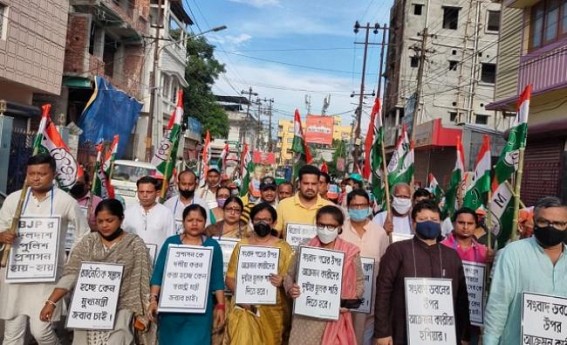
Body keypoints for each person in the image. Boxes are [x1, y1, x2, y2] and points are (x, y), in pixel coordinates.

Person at [0, 154, 89, 345]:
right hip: (15, 275)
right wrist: (3, 235)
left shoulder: (65, 201)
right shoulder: (14, 199)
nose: (36, 178)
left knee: (41, 331)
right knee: (12, 334)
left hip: (47, 278)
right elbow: (0, 227)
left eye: (42, 173)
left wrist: (70, 261)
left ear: (53, 174)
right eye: (32, 174)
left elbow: (84, 234)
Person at [39, 199, 155, 344]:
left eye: (109, 220)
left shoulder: (134, 244)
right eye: (100, 221)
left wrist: (144, 310)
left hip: (122, 307)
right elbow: (71, 274)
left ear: (121, 219)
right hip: (88, 307)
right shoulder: (88, 242)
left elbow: (143, 279)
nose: (104, 225)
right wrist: (51, 302)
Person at [373, 200, 470, 345]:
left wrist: (464, 335)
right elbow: (383, 291)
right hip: (402, 332)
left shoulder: (451, 256)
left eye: (434, 220)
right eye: (423, 219)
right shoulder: (398, 250)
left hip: (443, 335)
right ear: (413, 223)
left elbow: (462, 298)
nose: (429, 223)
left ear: (440, 223)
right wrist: (382, 332)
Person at [484, 196, 567, 345]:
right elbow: (498, 305)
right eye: (544, 222)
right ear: (534, 222)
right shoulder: (512, 254)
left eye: (558, 223)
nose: (551, 227)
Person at [285, 205, 364, 344]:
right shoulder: (305, 247)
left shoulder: (351, 252)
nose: (325, 230)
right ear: (316, 224)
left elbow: (359, 282)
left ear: (339, 227)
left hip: (336, 318)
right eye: (321, 225)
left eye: (331, 226)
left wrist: (346, 304)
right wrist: (291, 289)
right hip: (305, 321)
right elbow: (289, 276)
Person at [149, 204, 226, 345]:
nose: (195, 224)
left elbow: (217, 280)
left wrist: (221, 306)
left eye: (199, 220)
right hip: (171, 309)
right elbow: (158, 273)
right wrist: (153, 300)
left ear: (205, 222)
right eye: (190, 220)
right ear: (183, 222)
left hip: (200, 312)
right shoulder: (171, 242)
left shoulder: (212, 246)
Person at [225, 203, 294, 344]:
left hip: (274, 312)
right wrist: (243, 298)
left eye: (267, 220)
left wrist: (283, 281)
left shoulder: (284, 247)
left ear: (274, 223)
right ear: (252, 221)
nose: (262, 222)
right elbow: (230, 278)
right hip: (245, 309)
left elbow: (291, 278)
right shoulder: (241, 245)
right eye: (257, 219)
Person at [340, 189, 389, 345]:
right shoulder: (340, 231)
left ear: (369, 206)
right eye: (355, 206)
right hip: (343, 299)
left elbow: (384, 267)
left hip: (371, 300)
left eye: (363, 205)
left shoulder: (380, 233)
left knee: (364, 338)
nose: (359, 209)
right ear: (348, 207)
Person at [275, 165, 332, 239]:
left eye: (314, 184)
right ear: (299, 184)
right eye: (306, 183)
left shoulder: (329, 207)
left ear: (318, 184)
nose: (310, 187)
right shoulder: (283, 205)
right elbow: (275, 236)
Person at [122, 176, 176, 254]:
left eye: (149, 192)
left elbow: (171, 240)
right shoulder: (128, 212)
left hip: (157, 261)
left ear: (157, 193)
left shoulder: (166, 213)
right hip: (134, 260)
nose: (145, 195)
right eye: (141, 192)